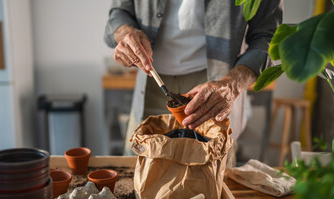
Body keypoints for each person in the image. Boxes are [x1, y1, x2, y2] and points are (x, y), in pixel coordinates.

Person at [105, 0, 282, 157]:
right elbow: (119, 12)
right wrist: (125, 33)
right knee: (138, 171)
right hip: (150, 82)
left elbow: (269, 37)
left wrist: (231, 85)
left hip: (213, 89)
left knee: (211, 178)